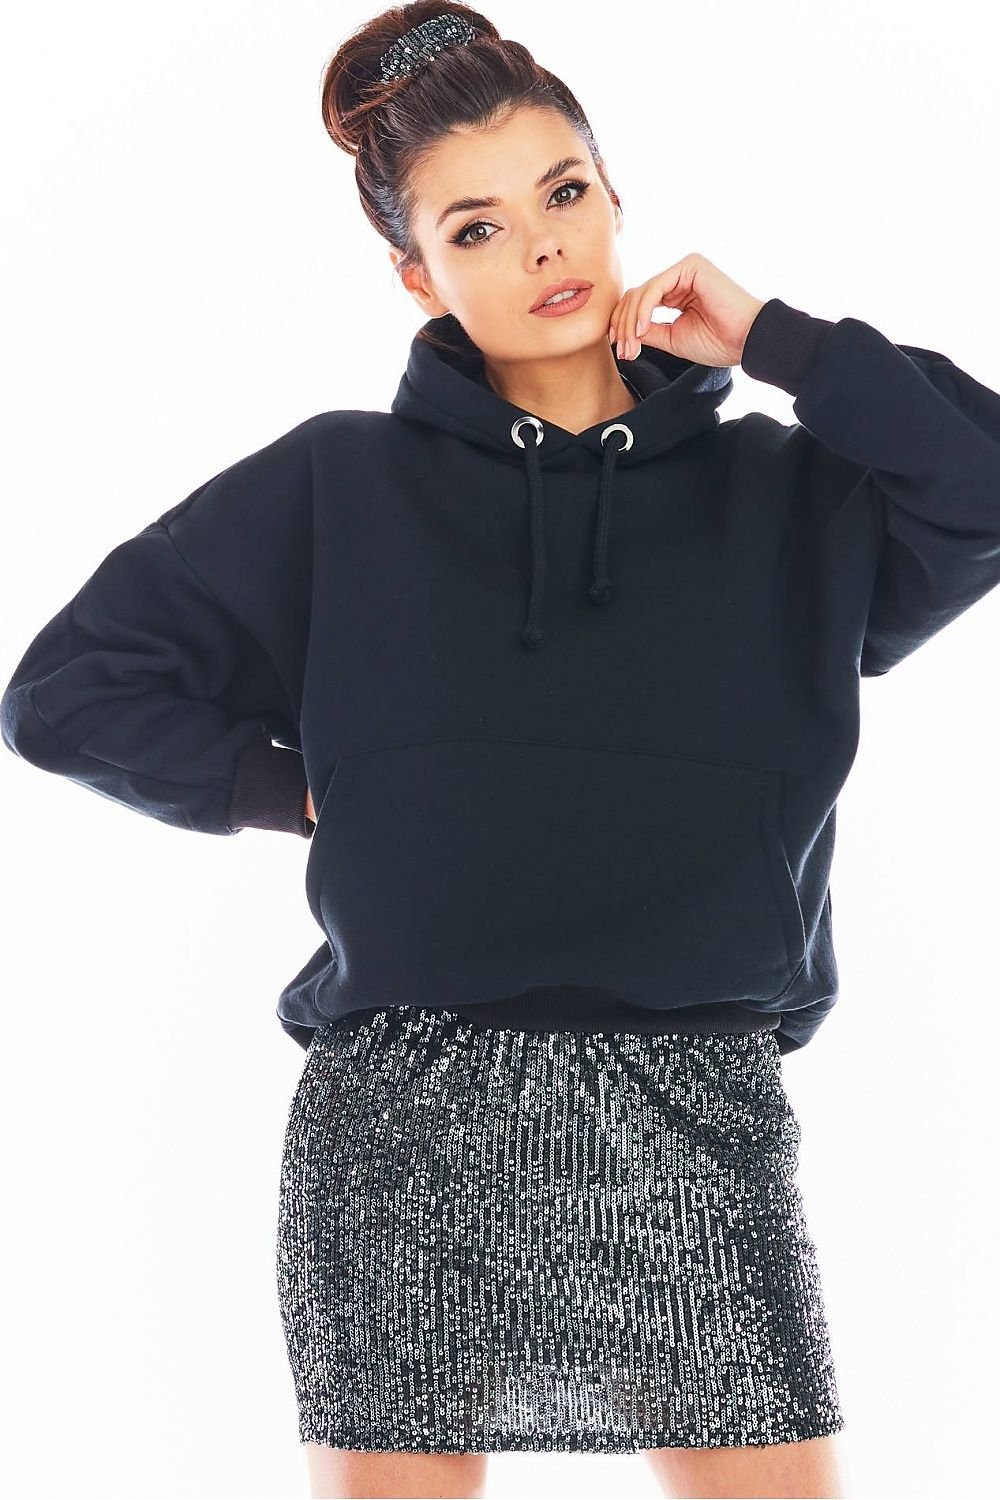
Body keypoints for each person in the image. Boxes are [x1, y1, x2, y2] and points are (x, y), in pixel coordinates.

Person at [5, 4, 1000, 1498]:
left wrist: (776, 341)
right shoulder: (338, 482)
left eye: (564, 193)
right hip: (406, 1118)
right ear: (418, 275)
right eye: (476, 227)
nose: (542, 247)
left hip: (699, 1106)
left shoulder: (791, 493)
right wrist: (299, 788)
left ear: (613, 197)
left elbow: (983, 481)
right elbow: (67, 692)